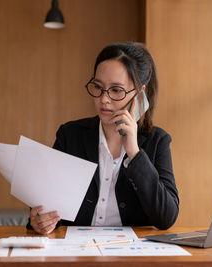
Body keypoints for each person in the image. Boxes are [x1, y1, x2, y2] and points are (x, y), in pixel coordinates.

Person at [26, 42, 179, 234]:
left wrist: (134, 153)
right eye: (98, 87)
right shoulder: (70, 135)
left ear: (139, 94)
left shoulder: (157, 141)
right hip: (76, 253)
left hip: (132, 256)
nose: (103, 99)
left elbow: (166, 218)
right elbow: (47, 204)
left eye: (116, 90)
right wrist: (40, 220)